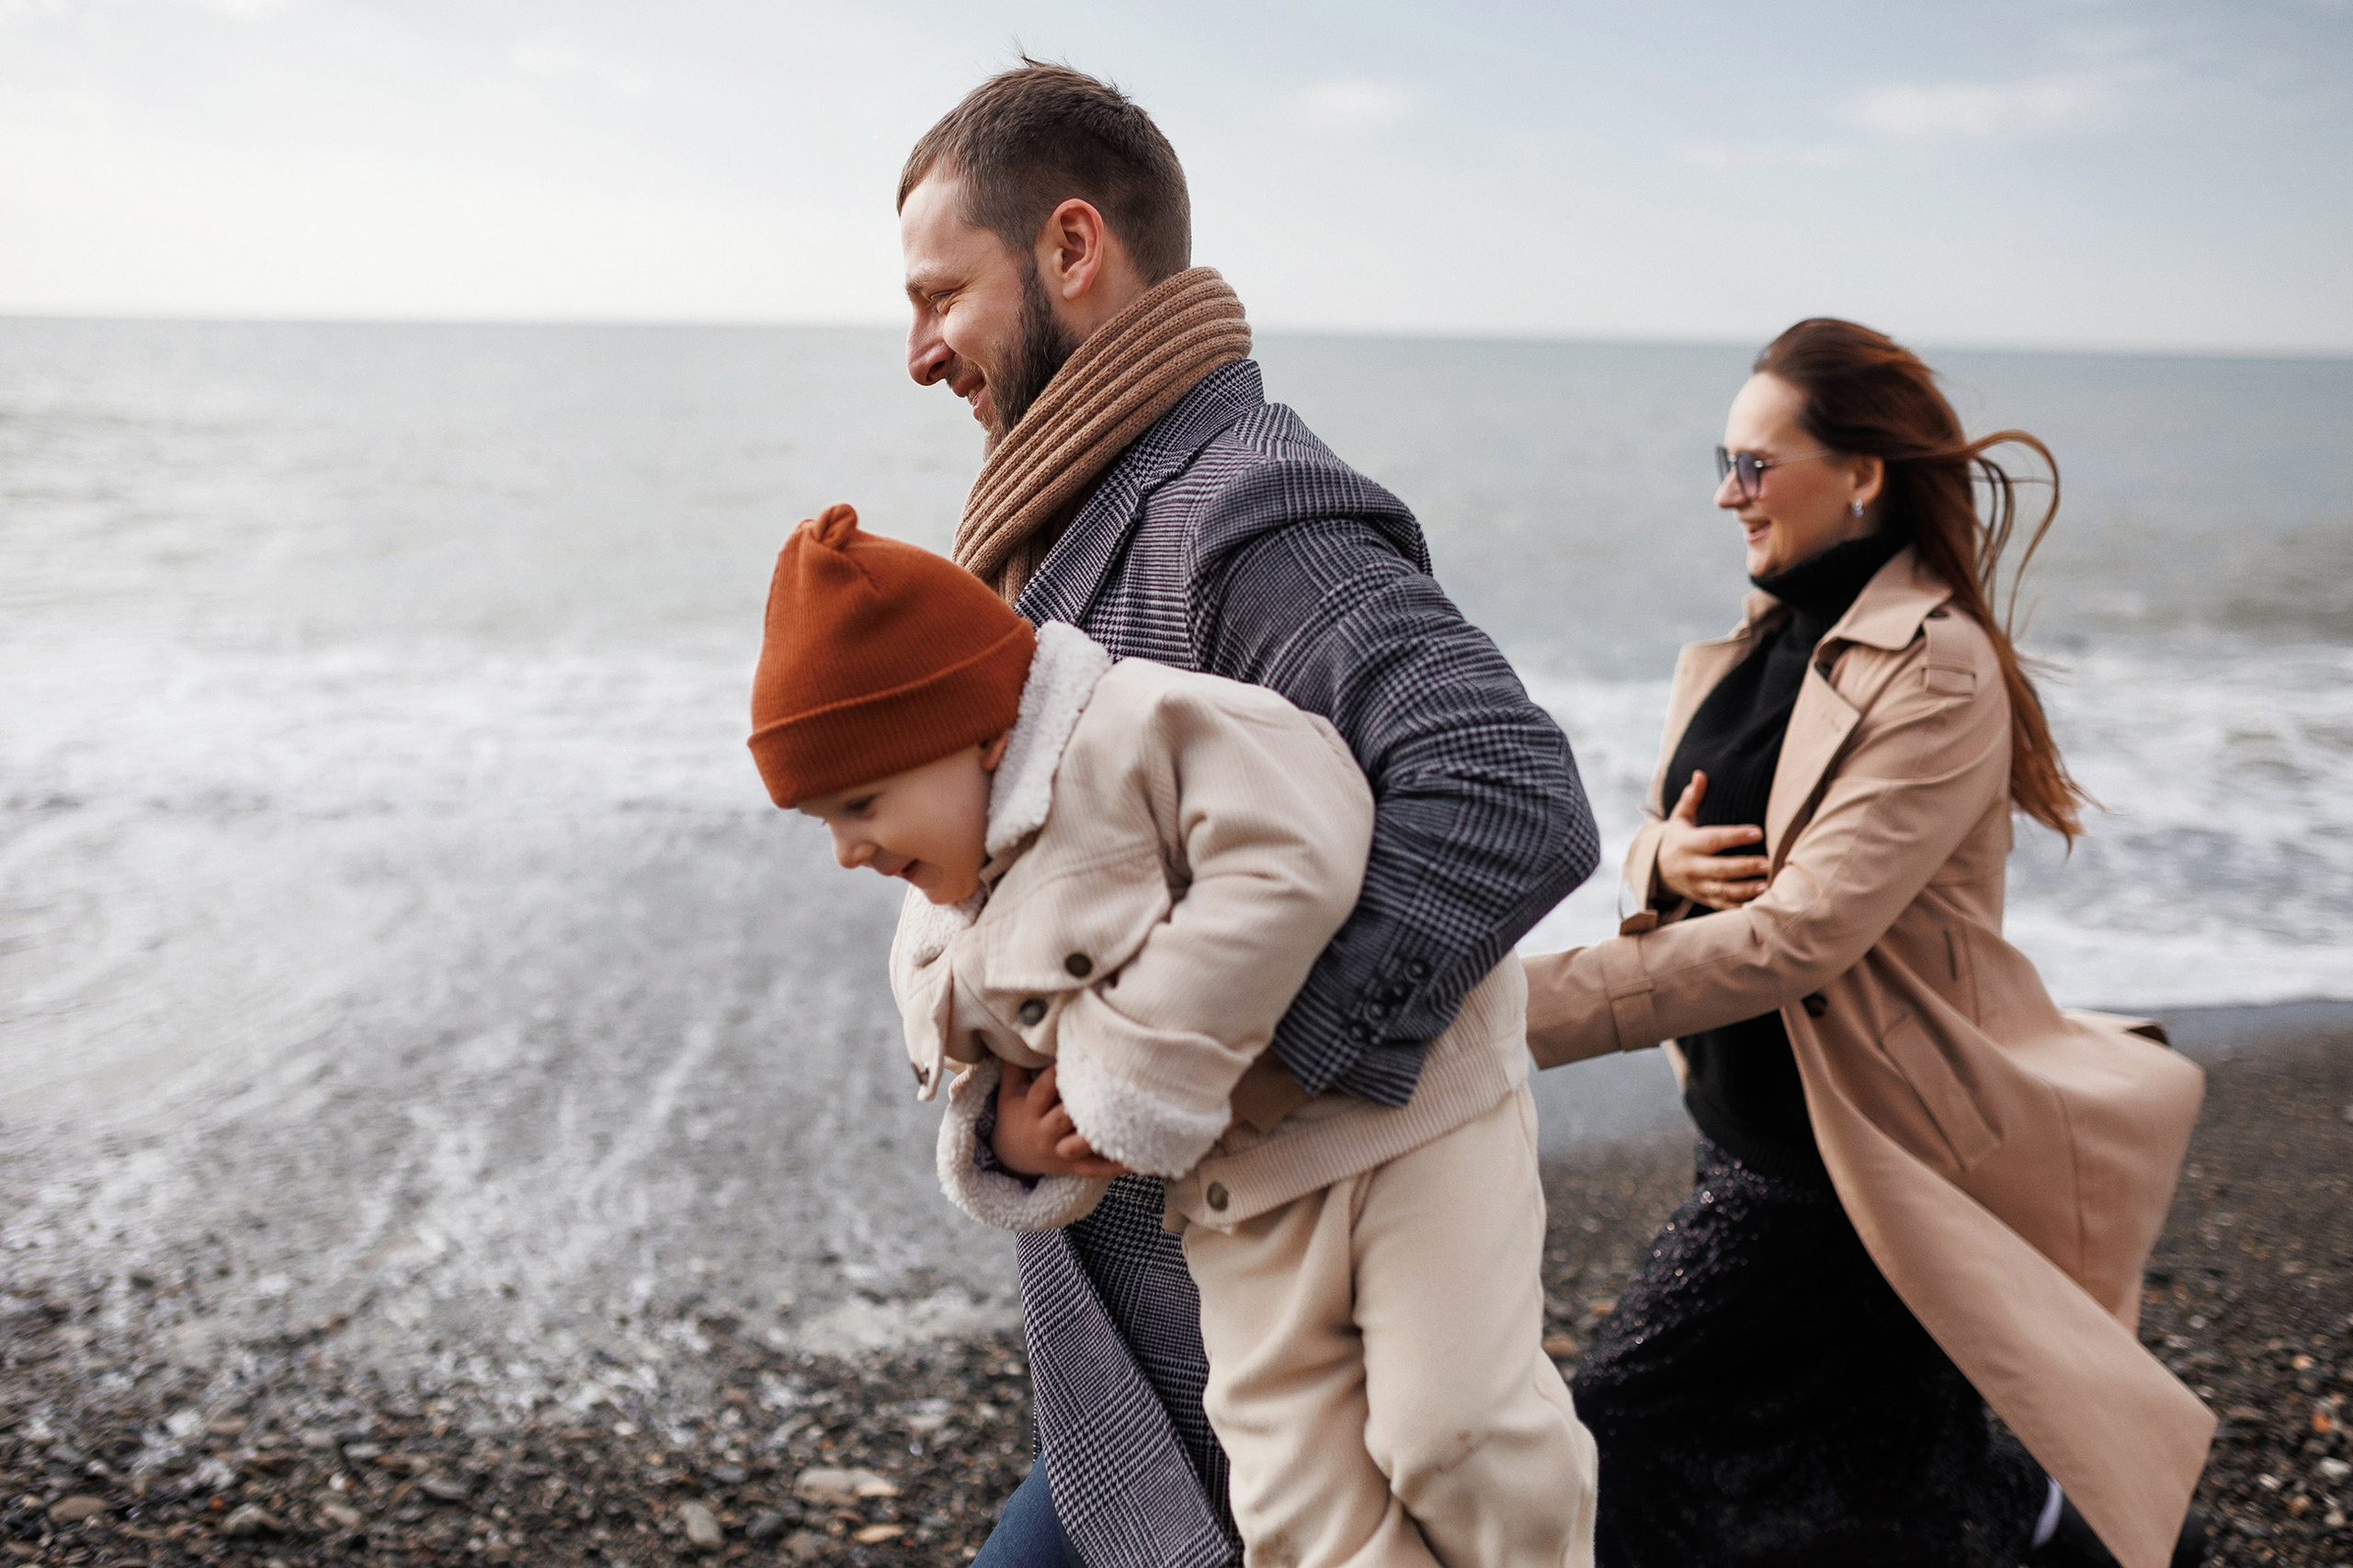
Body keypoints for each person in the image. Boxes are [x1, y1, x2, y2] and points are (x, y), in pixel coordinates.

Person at [892, 62, 1603, 1568]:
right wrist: (1010, 1107)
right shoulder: (1066, 525)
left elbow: (1502, 790)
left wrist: (1223, 1074)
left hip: (1296, 1333)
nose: (917, 350)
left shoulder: (1236, 506)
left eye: (940, 294)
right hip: (1156, 1360)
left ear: (1071, 250)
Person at [745, 505, 1598, 1568]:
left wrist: (1130, 1071)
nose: (847, 849)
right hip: (1239, 1196)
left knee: (1453, 1431)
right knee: (1292, 1494)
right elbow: (948, 1022)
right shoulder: (957, 895)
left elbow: (1295, 849)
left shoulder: (1143, 728)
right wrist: (1011, 1140)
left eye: (861, 802)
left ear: (980, 734)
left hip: (1415, 1127)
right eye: (822, 819)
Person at [1519, 318, 2212, 1568]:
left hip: (1851, 1158)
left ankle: (2079, 1525)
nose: (1726, 492)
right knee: (1877, 1463)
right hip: (1746, 1132)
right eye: (1720, 459)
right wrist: (1651, 861)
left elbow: (1800, 935)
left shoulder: (1937, 674)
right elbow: (1694, 829)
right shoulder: (1759, 640)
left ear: (1862, 474)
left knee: (1607, 1443)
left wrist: (1497, 1013)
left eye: (1755, 464)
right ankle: (2068, 1529)